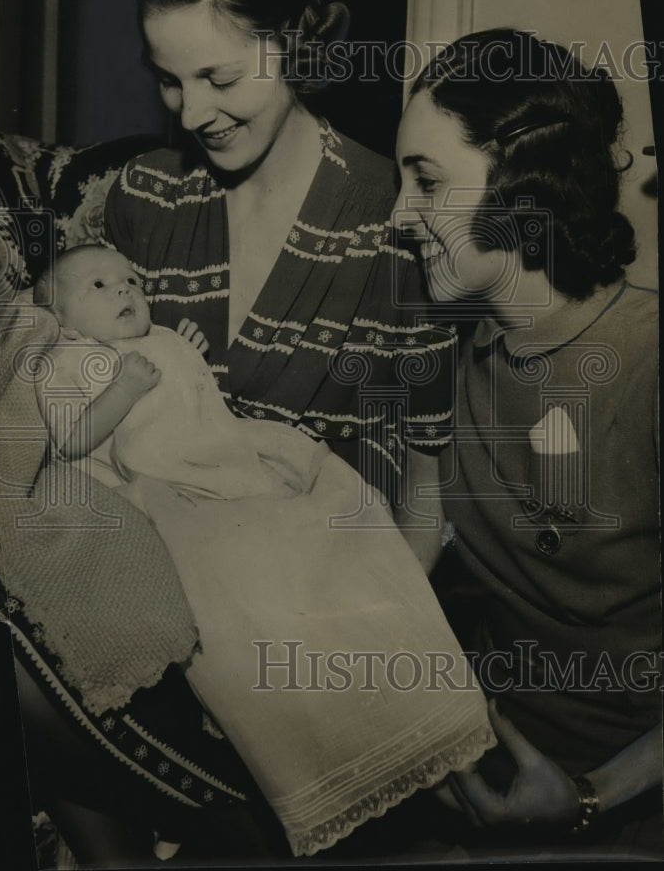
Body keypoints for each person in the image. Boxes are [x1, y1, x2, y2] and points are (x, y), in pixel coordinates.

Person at [0, 0, 457, 866]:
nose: (193, 112)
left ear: (293, 40)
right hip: (145, 587)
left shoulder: (389, 220)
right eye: (169, 81)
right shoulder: (149, 198)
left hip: (303, 615)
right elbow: (85, 376)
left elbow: (421, 492)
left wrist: (345, 629)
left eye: (218, 75)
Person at [31, 242, 494, 857]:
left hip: (232, 466)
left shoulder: (157, 339)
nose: (125, 290)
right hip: (170, 488)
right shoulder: (67, 361)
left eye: (132, 281)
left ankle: (393, 717)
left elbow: (200, 410)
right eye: (98, 285)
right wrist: (124, 386)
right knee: (233, 583)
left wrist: (183, 354)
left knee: (328, 522)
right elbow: (70, 440)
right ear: (57, 318)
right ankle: (275, 749)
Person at [392, 28, 662, 855]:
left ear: (522, 182)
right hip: (495, 777)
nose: (397, 215)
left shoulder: (647, 364)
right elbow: (406, 557)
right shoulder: (444, 350)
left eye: (425, 181)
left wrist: (587, 798)